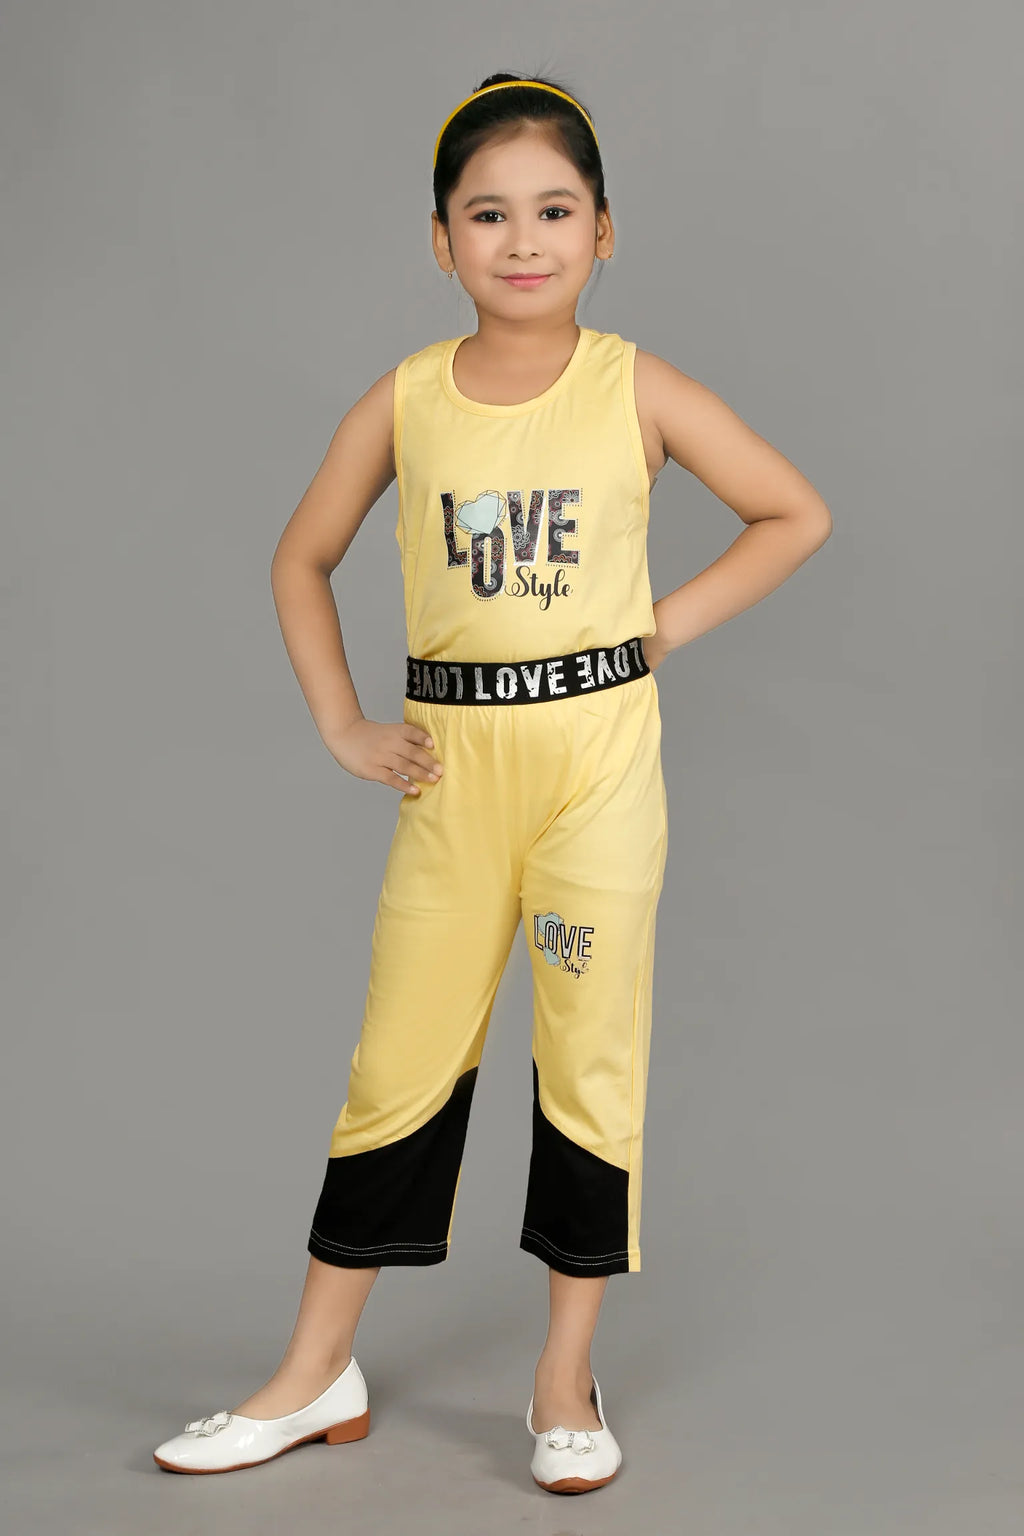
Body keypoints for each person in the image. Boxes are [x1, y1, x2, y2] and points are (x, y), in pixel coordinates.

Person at [153, 70, 832, 1491]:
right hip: (452, 783)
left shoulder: (636, 386)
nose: (523, 240)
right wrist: (344, 725)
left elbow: (792, 512)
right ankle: (314, 1370)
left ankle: (564, 1379)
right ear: (441, 239)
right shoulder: (406, 401)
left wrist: (658, 630)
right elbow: (300, 558)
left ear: (604, 231)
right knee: (397, 1061)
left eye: (555, 211)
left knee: (588, 1061)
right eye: (488, 214)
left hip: (596, 778)